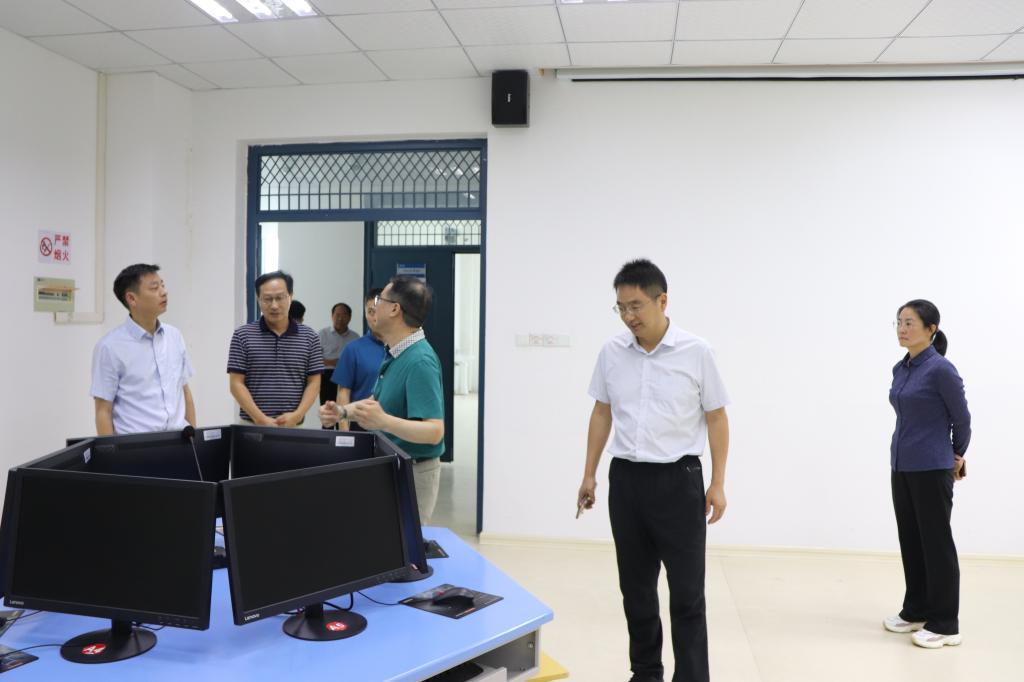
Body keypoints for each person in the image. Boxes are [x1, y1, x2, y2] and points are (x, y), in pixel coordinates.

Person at [576, 259, 730, 682]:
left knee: (687, 594)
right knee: (636, 589)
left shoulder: (697, 351)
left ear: (662, 301)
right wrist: (589, 473)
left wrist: (717, 482)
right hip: (626, 482)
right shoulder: (612, 352)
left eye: (636, 306)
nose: (629, 316)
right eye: (621, 308)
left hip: (679, 481)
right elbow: (601, 412)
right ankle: (646, 672)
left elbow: (717, 417)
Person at [319, 277, 444, 523]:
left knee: (406, 543)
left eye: (380, 300)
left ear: (395, 309)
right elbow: (376, 402)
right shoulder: (396, 352)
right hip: (391, 463)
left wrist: (384, 421)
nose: (374, 307)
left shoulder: (419, 360)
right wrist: (342, 412)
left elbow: (434, 431)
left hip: (414, 471)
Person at [884, 299, 970, 649]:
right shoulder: (901, 368)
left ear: (931, 329)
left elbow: (961, 418)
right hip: (902, 465)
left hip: (933, 467)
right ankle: (916, 609)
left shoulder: (941, 370)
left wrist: (957, 455)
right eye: (899, 322)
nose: (902, 329)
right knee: (911, 539)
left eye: (910, 323)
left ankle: (946, 624)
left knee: (936, 543)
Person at [91, 263, 196, 435]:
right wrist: (110, 452)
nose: (164, 292)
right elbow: (103, 410)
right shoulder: (109, 347)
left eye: (162, 285)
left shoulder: (174, 336)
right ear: (132, 299)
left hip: (180, 440)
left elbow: (185, 392)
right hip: (136, 445)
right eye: (154, 288)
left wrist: (194, 441)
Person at [227, 271, 323, 426]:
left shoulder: (310, 337)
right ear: (258, 299)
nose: (274, 305)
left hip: (295, 426)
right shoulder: (242, 335)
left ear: (290, 296)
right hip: (252, 426)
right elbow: (236, 384)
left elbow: (314, 383)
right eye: (267, 299)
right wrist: (260, 418)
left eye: (280, 298)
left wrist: (297, 415)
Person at [330, 289, 388, 431]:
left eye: (379, 311)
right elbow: (343, 393)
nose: (375, 317)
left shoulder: (402, 348)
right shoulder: (353, 349)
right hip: (361, 425)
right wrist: (345, 434)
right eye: (370, 312)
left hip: (395, 427)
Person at [318, 302, 360, 406]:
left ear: (350, 318)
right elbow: (313, 359)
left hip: (348, 375)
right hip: (327, 375)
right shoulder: (322, 334)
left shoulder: (355, 337)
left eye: (344, 315)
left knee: (345, 407)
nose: (340, 318)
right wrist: (332, 362)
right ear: (332, 316)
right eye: (337, 315)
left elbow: (358, 360)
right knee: (328, 407)